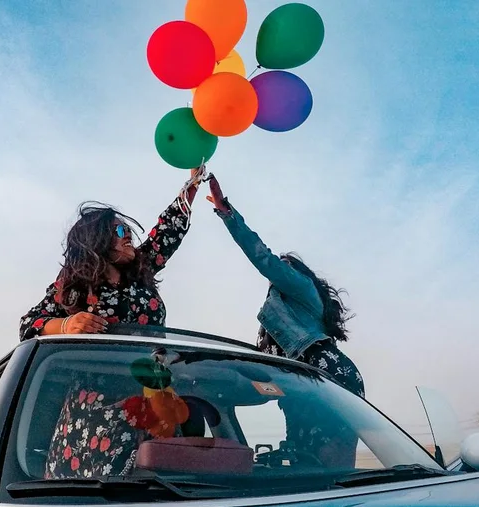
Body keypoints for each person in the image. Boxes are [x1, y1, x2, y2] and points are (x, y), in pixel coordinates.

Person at [205, 173, 364, 467]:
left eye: (286, 267)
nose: (280, 272)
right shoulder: (275, 318)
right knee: (306, 460)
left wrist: (227, 213)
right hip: (300, 383)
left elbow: (262, 257)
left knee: (331, 463)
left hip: (327, 373)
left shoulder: (302, 288)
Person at [19, 169, 202, 341]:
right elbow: (28, 324)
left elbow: (168, 228)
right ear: (98, 239)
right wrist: (66, 325)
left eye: (127, 229)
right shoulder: (74, 288)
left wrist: (193, 183)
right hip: (104, 373)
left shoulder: (140, 268)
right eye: (120, 230)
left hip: (151, 372)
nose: (128, 234)